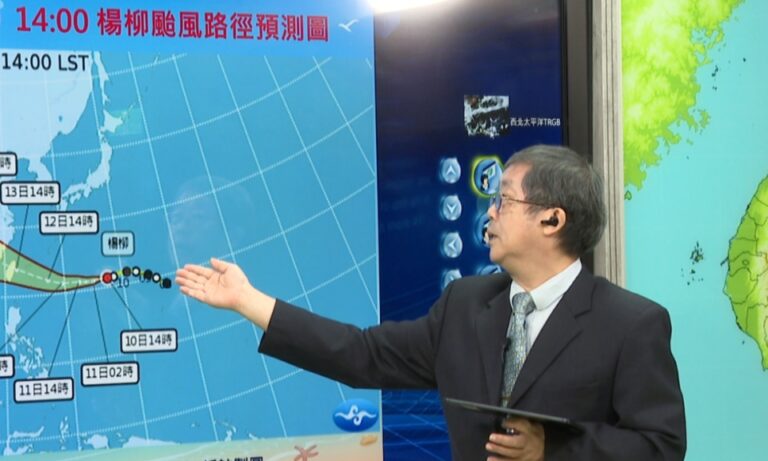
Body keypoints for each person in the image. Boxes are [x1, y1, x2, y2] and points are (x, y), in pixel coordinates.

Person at [176, 144, 686, 461]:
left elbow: (661, 447)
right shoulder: (467, 305)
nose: (490, 213)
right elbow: (361, 354)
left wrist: (550, 451)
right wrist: (249, 301)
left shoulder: (631, 324)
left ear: (552, 220)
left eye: (504, 200)